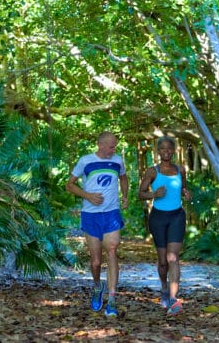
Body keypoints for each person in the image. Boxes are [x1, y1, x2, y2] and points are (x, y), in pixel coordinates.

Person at [66, 131, 129, 317]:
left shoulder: (118, 161)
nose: (114, 148)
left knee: (112, 249)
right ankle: (97, 286)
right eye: (111, 145)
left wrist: (125, 196)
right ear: (100, 145)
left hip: (111, 213)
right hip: (90, 214)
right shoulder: (85, 161)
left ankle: (112, 300)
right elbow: (69, 185)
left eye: (115, 145)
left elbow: (123, 178)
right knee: (95, 262)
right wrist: (88, 196)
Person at [138, 136, 192, 315]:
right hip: (158, 218)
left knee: (172, 258)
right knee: (162, 262)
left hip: (177, 216)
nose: (166, 152)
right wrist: (154, 194)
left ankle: (174, 298)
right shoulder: (152, 171)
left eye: (169, 149)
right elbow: (140, 194)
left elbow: (183, 187)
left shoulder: (180, 169)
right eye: (163, 149)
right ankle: (163, 287)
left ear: (174, 151)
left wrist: (185, 193)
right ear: (158, 152)